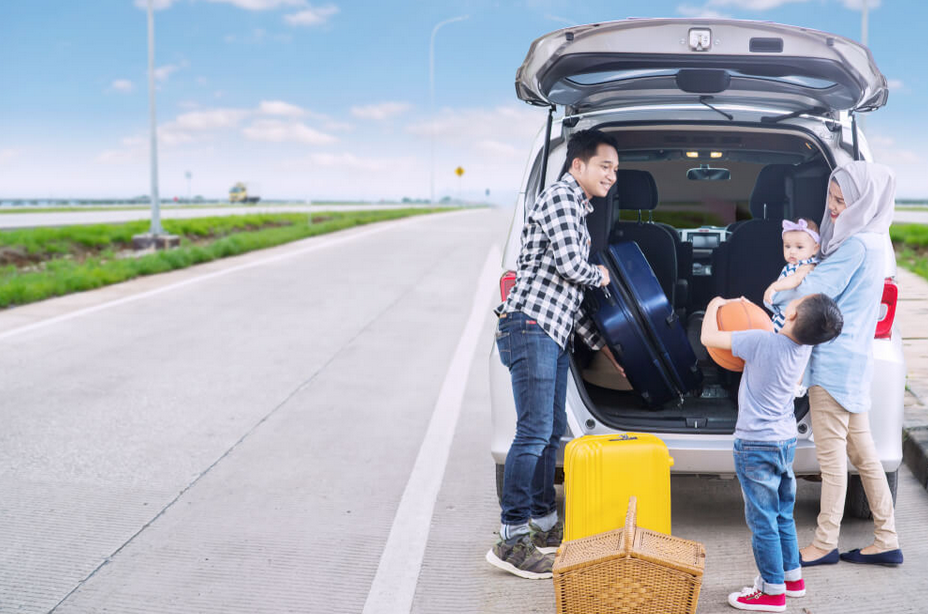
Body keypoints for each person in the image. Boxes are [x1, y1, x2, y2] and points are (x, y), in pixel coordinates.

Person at [487, 128, 623, 580]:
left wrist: (601, 345)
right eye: (605, 166)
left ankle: (544, 524)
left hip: (551, 328)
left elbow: (564, 295)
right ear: (577, 165)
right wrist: (601, 274)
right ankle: (510, 539)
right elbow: (571, 268)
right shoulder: (563, 199)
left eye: (616, 169)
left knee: (549, 433)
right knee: (532, 432)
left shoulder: (579, 207)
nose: (612, 175)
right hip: (530, 326)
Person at [765, 161, 904, 567]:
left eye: (844, 200)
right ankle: (887, 538)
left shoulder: (857, 244)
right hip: (855, 364)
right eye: (831, 198)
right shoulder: (877, 240)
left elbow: (811, 292)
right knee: (865, 456)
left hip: (832, 364)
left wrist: (774, 292)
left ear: (866, 200)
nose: (835, 209)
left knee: (832, 460)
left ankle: (824, 543)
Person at [701, 293, 843, 612]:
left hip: (755, 443)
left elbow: (708, 336)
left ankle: (772, 591)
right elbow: (788, 325)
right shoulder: (804, 347)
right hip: (784, 441)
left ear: (791, 314)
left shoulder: (760, 342)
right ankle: (792, 579)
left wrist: (715, 305)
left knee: (762, 519)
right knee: (781, 513)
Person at [768, 218, 821, 332]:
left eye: (799, 247)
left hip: (793, 316)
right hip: (782, 312)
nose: (792, 251)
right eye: (787, 246)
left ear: (815, 249)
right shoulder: (792, 265)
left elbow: (796, 279)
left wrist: (774, 287)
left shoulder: (807, 265)